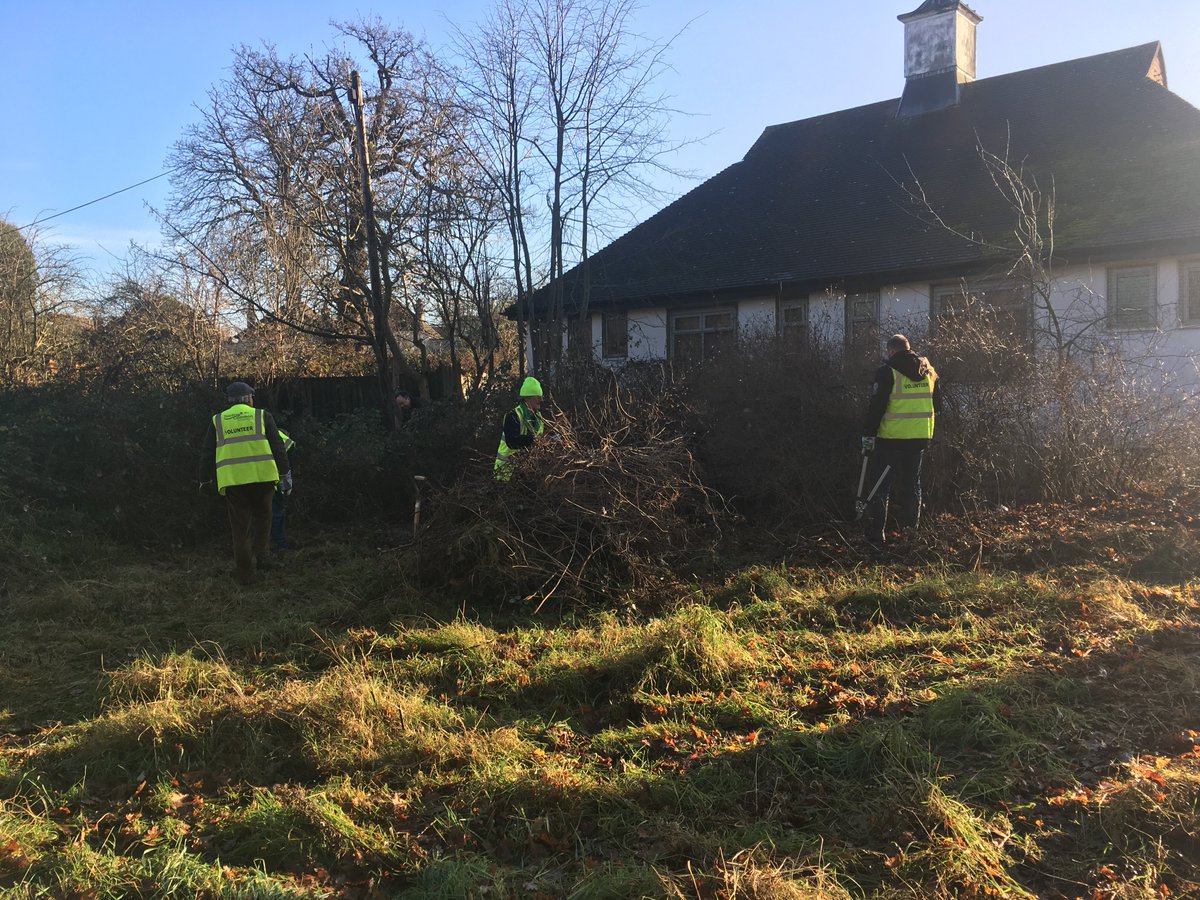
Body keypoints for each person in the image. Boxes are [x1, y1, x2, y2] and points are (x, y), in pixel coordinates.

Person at [199, 382, 292, 585]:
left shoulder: (218, 421)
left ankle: (245, 574)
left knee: (240, 529)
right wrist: (285, 474)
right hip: (263, 479)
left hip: (234, 482)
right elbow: (278, 447)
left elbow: (207, 454)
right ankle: (263, 559)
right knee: (264, 519)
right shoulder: (262, 416)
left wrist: (204, 479)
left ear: (230, 401)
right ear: (249, 398)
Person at [861, 334, 942, 548]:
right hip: (919, 439)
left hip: (890, 439)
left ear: (892, 350)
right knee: (912, 484)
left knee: (881, 484)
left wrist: (868, 435)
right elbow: (938, 406)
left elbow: (876, 407)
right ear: (909, 348)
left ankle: (877, 534)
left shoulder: (887, 372)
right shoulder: (930, 372)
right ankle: (911, 534)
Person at [493, 376, 545, 481]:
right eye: (537, 396)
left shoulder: (539, 418)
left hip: (527, 472)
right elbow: (512, 442)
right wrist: (533, 439)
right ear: (528, 398)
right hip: (505, 474)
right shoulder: (513, 416)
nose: (541, 399)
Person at [271, 428, 295, 553]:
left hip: (256, 478)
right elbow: (286, 467)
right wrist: (286, 485)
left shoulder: (264, 434)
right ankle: (280, 545)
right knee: (276, 512)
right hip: (272, 480)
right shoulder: (286, 441)